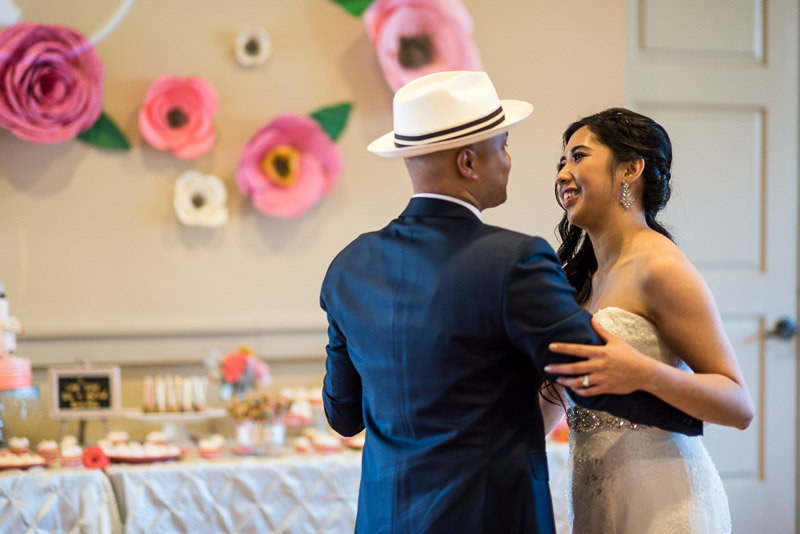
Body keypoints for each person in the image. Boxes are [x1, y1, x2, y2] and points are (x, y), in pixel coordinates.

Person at [320, 72, 702, 534]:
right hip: (489, 517)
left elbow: (343, 416)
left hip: (383, 518)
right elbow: (589, 375)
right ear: (468, 162)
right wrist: (690, 412)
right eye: (502, 146)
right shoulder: (513, 260)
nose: (508, 161)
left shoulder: (347, 267)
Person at [543, 107, 755, 533]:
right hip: (595, 503)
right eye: (561, 162)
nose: (564, 173)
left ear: (630, 169)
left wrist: (643, 373)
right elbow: (548, 409)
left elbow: (738, 405)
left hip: (666, 507)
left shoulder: (660, 267)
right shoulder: (580, 282)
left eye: (578, 156)